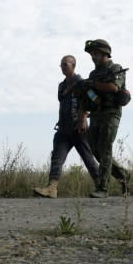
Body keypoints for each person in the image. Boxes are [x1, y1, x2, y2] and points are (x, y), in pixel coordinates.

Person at [34, 55, 99, 199]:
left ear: (73, 65)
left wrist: (83, 118)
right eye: (61, 65)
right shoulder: (62, 86)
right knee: (57, 157)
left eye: (65, 64)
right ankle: (52, 188)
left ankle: (101, 187)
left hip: (79, 128)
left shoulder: (82, 83)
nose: (62, 67)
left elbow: (94, 100)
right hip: (63, 129)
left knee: (88, 159)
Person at [79, 39, 130, 198]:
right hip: (96, 114)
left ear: (105, 53)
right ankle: (123, 175)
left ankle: (102, 188)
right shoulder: (93, 74)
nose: (93, 57)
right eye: (92, 54)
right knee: (96, 150)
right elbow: (89, 96)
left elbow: (114, 87)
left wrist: (92, 84)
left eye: (95, 53)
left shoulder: (116, 69)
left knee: (105, 149)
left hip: (111, 113)